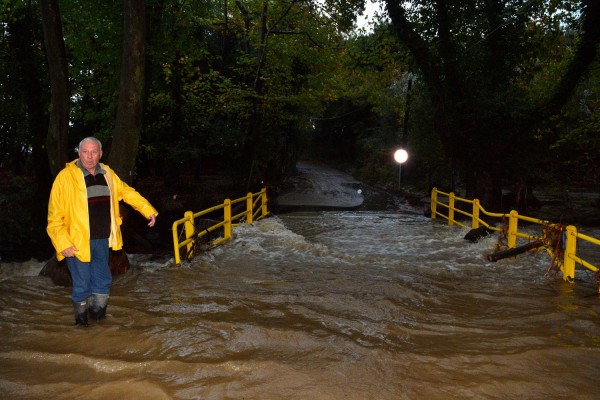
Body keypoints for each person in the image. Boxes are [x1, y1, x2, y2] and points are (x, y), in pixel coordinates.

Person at [47, 137, 158, 327]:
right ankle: (82, 328)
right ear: (79, 153)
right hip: (77, 240)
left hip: (103, 239)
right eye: (85, 152)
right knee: (82, 284)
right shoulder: (65, 177)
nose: (89, 157)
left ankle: (99, 325)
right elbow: (54, 216)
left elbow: (127, 192)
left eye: (94, 152)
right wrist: (62, 243)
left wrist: (148, 210)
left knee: (102, 280)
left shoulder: (108, 173)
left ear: (100, 154)